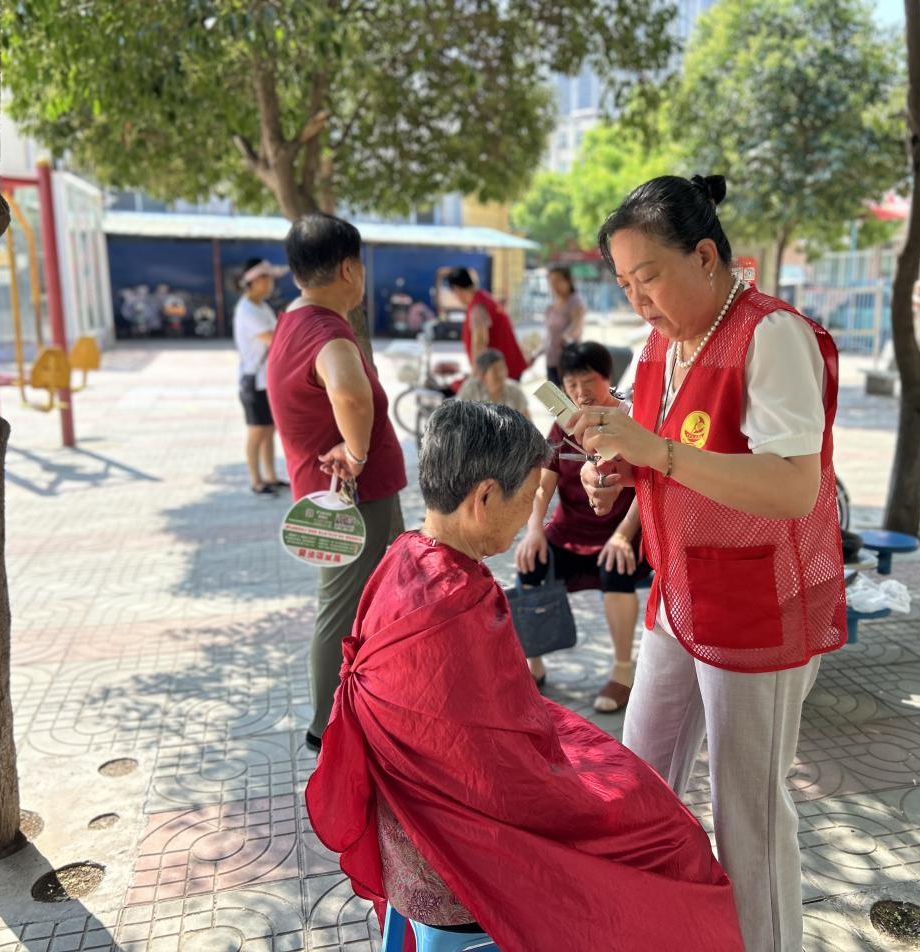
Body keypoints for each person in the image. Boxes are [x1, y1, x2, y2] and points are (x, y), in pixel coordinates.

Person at [305, 400, 744, 951]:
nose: (533, 512)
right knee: (665, 837)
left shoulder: (402, 555)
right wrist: (593, 796)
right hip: (455, 846)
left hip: (415, 819)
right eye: (530, 496)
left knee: (615, 774)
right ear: (485, 497)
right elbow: (503, 773)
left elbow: (484, 736)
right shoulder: (458, 604)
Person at [571, 174, 847, 952]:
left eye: (648, 277)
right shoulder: (662, 344)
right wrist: (619, 473)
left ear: (703, 257)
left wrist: (656, 453)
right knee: (638, 774)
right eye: (625, 285)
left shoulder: (771, 335)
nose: (638, 301)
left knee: (746, 814)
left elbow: (793, 486)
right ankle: (646, 929)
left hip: (757, 602)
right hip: (681, 591)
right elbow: (659, 454)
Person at [265, 213, 407, 753]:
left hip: (336, 495)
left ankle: (368, 703)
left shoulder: (294, 318)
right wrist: (357, 451)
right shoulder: (327, 332)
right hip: (352, 498)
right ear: (349, 269)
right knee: (342, 607)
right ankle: (325, 728)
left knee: (366, 601)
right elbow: (350, 394)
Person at [516, 341, 648, 712]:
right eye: (572, 384)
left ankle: (622, 673)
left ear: (608, 378)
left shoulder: (632, 420)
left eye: (589, 381)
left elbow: (649, 487)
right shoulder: (563, 426)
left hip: (622, 531)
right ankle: (533, 665)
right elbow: (543, 485)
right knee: (531, 564)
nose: (580, 392)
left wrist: (623, 536)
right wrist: (534, 531)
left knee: (615, 569)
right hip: (570, 532)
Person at [234, 257, 288, 495]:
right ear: (253, 281)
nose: (270, 284)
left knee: (268, 429)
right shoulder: (247, 309)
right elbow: (273, 339)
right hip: (254, 380)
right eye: (266, 279)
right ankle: (256, 480)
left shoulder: (261, 306)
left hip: (267, 380)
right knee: (257, 430)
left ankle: (271, 477)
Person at [445, 266, 528, 381]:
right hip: (508, 367)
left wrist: (476, 374)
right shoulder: (485, 298)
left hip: (500, 373)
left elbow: (480, 342)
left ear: (457, 289)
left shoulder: (478, 307)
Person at [455, 348, 531, 417]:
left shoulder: (514, 391)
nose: (501, 374)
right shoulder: (471, 389)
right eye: (495, 371)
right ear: (483, 376)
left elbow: (527, 421)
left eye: (502, 368)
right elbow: (457, 415)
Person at [543, 266, 586, 386]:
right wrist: (535, 354)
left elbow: (577, 326)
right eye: (551, 282)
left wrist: (566, 336)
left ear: (568, 281)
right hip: (551, 360)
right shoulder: (552, 306)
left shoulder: (575, 301)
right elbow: (549, 336)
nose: (554, 285)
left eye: (558, 281)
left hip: (568, 361)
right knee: (553, 396)